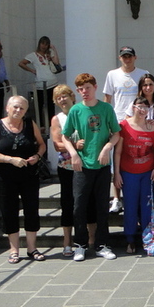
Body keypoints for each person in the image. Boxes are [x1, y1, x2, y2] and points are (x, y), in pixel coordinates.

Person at [62, 73, 122, 261]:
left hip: (102, 165)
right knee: (79, 206)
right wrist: (73, 153)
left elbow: (116, 133)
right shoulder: (75, 110)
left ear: (95, 87)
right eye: (80, 89)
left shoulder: (106, 108)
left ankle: (102, 244)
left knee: (102, 206)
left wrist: (107, 148)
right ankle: (80, 244)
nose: (84, 92)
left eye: (87, 88)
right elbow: (65, 136)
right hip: (82, 166)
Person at [0, 95, 46, 264]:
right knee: (9, 210)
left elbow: (41, 144)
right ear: (7, 108)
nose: (18, 111)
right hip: (5, 177)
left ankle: (32, 248)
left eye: (22, 108)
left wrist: (37, 156)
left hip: (29, 175)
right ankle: (14, 250)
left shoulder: (29, 124)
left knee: (31, 209)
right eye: (15, 107)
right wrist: (10, 159)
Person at [50, 85, 97, 257]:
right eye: (58, 98)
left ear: (72, 97)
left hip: (87, 165)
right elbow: (57, 144)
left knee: (90, 201)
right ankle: (67, 241)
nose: (62, 100)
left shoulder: (83, 112)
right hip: (67, 167)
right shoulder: (57, 119)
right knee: (68, 203)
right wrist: (74, 147)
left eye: (64, 96)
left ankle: (92, 239)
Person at [103, 45, 150, 214]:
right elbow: (107, 99)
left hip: (138, 122)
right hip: (118, 122)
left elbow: (148, 96)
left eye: (130, 56)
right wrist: (106, 121)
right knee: (117, 158)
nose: (127, 59)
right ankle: (116, 198)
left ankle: (137, 197)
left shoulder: (143, 73)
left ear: (135, 58)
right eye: (124, 56)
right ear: (119, 58)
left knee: (138, 155)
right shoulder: (112, 75)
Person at [113, 96, 154, 254]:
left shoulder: (152, 128)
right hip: (128, 173)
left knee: (147, 207)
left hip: (147, 173)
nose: (142, 110)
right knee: (131, 207)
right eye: (139, 107)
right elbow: (118, 152)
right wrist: (117, 174)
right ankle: (130, 240)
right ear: (133, 107)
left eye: (145, 108)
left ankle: (148, 239)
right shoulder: (124, 126)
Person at [18, 36, 62, 128]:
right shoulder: (33, 55)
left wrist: (53, 49)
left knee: (51, 105)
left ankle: (51, 126)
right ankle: (41, 126)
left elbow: (57, 63)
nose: (44, 46)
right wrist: (32, 70)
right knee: (40, 105)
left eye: (46, 44)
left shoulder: (49, 54)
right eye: (42, 43)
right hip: (40, 84)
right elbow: (21, 63)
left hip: (52, 82)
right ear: (39, 44)